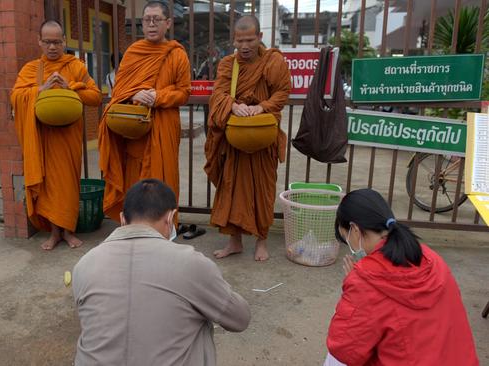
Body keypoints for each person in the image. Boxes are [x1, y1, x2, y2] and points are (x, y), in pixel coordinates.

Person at [72, 179, 250, 365]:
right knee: (201, 316)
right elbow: (240, 319)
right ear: (170, 218)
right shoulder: (191, 264)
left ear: (123, 219)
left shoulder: (85, 265)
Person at [326, 188, 479, 366]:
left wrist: (351, 289)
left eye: (346, 239)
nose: (350, 247)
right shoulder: (431, 257)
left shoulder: (365, 280)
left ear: (354, 230)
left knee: (334, 360)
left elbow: (344, 349)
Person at [204, 15, 291, 261]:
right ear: (234, 39)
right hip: (235, 140)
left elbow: (283, 92)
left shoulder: (273, 61)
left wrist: (262, 107)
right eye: (240, 41)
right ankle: (235, 241)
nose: (244, 46)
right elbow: (218, 94)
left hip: (262, 139)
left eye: (250, 40)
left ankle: (261, 241)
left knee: (262, 190)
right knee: (232, 189)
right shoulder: (226, 64)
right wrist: (232, 106)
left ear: (260, 37)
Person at [11, 20, 102, 250]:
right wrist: (39, 90)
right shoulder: (31, 69)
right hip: (44, 138)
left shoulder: (76, 67)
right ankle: (54, 233)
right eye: (48, 42)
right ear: (39, 42)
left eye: (57, 42)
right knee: (49, 186)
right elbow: (16, 96)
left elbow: (95, 96)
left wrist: (71, 87)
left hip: (68, 137)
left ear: (64, 42)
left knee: (69, 184)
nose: (52, 47)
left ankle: (69, 231)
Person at [98, 1, 191, 222]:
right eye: (146, 20)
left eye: (156, 19)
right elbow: (119, 90)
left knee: (163, 180)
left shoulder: (177, 54)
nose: (150, 24)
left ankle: (164, 230)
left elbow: (184, 92)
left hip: (164, 127)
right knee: (136, 182)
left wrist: (158, 97)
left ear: (167, 23)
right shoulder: (133, 52)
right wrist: (133, 95)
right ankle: (133, 228)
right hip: (136, 131)